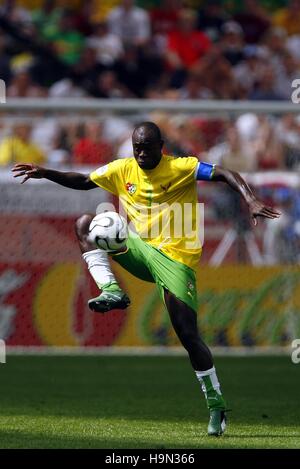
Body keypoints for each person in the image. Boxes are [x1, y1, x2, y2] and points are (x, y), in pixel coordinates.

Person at [12, 121, 280, 436]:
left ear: (160, 147)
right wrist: (46, 173)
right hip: (141, 251)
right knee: (87, 223)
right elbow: (84, 180)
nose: (140, 153)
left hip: (175, 261)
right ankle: (110, 289)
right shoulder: (123, 169)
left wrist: (249, 199)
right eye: (136, 147)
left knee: (188, 336)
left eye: (146, 148)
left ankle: (216, 405)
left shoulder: (180, 167)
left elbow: (224, 173)